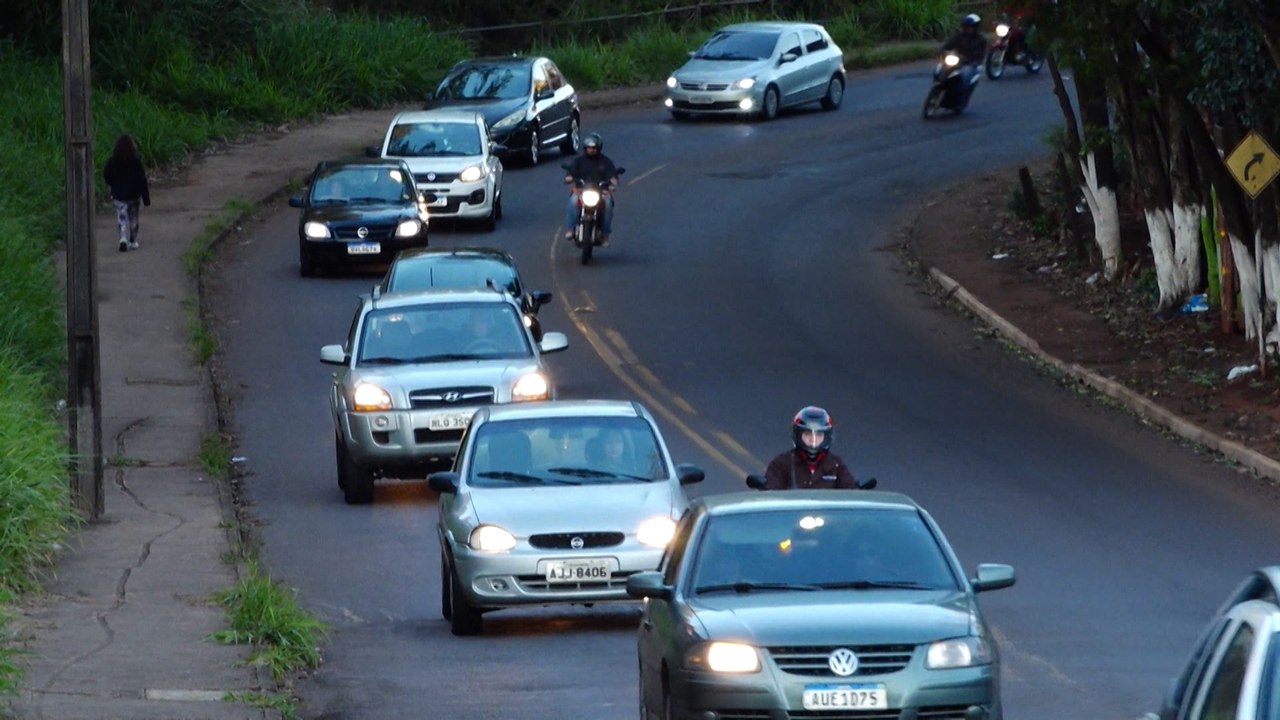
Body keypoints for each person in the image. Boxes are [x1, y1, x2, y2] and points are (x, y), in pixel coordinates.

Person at [762, 406, 859, 490]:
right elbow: (770, 496)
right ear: (798, 435)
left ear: (827, 437)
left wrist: (857, 490)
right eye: (807, 434)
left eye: (819, 434)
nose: (813, 440)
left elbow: (850, 494)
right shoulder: (781, 464)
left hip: (826, 512)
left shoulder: (836, 465)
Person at [563, 132, 619, 245]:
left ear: (598, 148)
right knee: (572, 202)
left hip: (601, 192)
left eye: (594, 148)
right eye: (589, 148)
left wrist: (613, 184)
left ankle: (605, 233)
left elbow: (612, 176)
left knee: (608, 204)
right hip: (581, 191)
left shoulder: (606, 162)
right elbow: (570, 173)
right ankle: (570, 228)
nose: (591, 150)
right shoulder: (579, 161)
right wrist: (569, 178)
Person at [103, 134, 151, 252]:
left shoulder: (112, 161)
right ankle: (133, 240)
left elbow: (106, 174)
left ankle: (123, 238)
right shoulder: (136, 162)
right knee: (134, 218)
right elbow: (142, 180)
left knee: (122, 217)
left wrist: (112, 185)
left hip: (119, 195)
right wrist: (146, 198)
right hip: (134, 195)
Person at [941, 13, 987, 104]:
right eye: (966, 26)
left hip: (971, 64)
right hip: (957, 61)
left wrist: (969, 60)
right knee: (940, 69)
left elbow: (979, 56)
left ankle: (960, 98)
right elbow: (947, 45)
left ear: (975, 27)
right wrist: (943, 51)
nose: (968, 29)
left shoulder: (980, 40)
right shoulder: (958, 36)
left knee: (964, 76)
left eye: (971, 27)